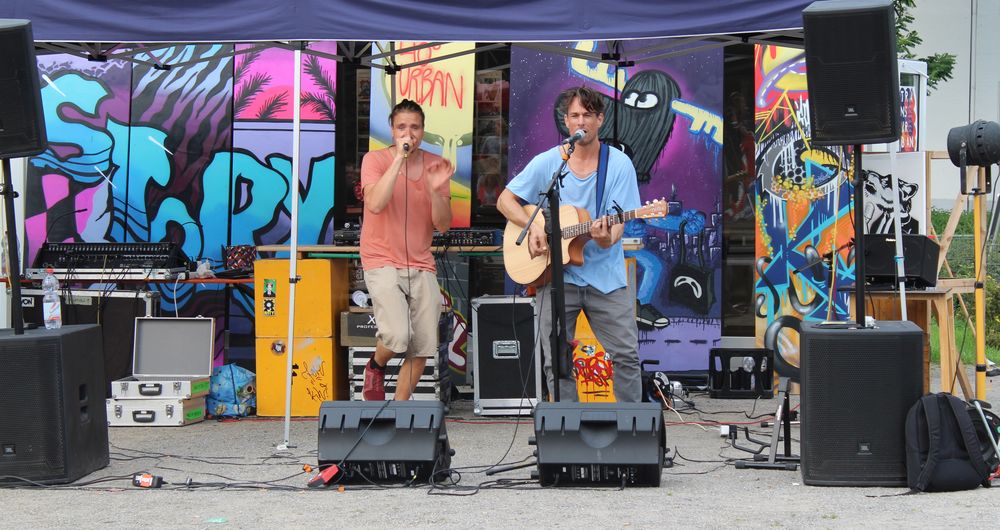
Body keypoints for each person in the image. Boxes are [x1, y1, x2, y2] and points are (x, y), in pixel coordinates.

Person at [497, 86, 642, 402]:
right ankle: (567, 433)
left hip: (606, 278)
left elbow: (615, 228)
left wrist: (606, 237)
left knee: (626, 356)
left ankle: (633, 432)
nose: (581, 122)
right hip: (556, 277)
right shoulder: (551, 161)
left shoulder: (618, 165)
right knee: (558, 362)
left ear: (600, 119)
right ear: (565, 121)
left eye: (587, 115)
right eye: (574, 115)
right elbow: (505, 200)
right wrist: (532, 226)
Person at [360, 99, 454, 401]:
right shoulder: (374, 160)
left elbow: (443, 225)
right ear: (392, 130)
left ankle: (400, 414)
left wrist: (435, 190)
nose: (408, 133)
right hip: (381, 257)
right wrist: (399, 160)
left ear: (423, 131)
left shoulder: (434, 165)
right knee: (398, 335)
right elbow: (375, 203)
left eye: (414, 127)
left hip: (421, 260)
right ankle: (376, 364)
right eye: (402, 127)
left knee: (423, 345)